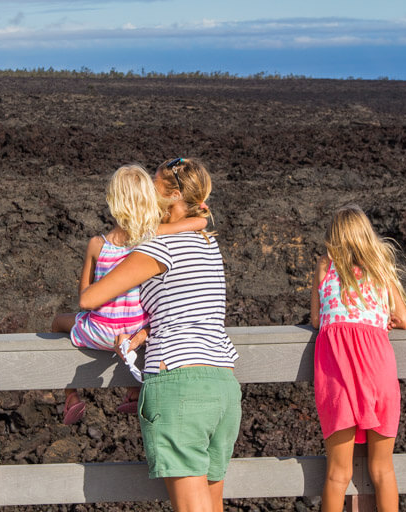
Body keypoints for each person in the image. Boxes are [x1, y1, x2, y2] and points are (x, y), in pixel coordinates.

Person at [80, 158, 241, 512]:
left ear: (172, 196)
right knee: (213, 504)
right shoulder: (207, 243)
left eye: (153, 186)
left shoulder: (156, 247)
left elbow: (91, 298)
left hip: (178, 383)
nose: (147, 194)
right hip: (223, 383)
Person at [52, 164, 206, 425]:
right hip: (136, 334)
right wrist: (202, 213)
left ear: (112, 202)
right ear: (148, 200)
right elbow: (197, 223)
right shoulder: (150, 238)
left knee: (58, 321)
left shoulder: (96, 244)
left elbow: (85, 300)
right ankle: (134, 391)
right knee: (148, 317)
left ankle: (71, 395)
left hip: (100, 331)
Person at [310, 204, 406, 512]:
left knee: (337, 474)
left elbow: (316, 320)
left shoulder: (325, 265)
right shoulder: (380, 264)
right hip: (377, 371)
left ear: (334, 237)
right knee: (382, 470)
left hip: (338, 376)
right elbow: (404, 318)